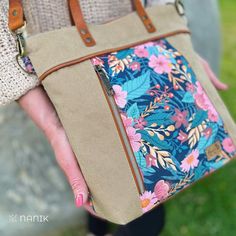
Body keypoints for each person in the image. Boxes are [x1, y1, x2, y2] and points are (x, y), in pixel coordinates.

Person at [0, 0, 228, 235]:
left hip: (144, 40)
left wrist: (174, 41)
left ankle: (99, 227)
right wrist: (51, 125)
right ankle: (97, 227)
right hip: (68, 65)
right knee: (102, 176)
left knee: (132, 196)